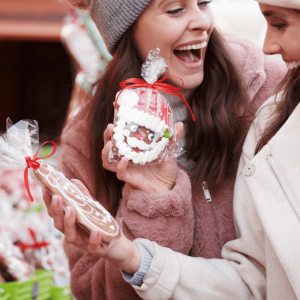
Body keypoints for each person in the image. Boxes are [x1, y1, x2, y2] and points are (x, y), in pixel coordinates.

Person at [43, 0, 287, 299]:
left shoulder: (273, 91)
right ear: (126, 30)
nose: (202, 22)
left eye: (203, 3)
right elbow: (93, 291)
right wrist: (152, 205)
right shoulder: (87, 140)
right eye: (176, 9)